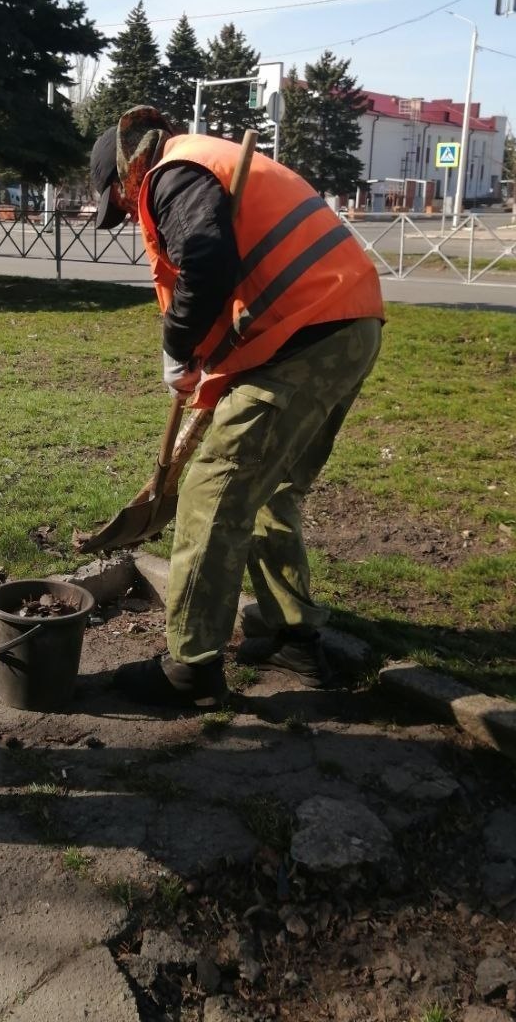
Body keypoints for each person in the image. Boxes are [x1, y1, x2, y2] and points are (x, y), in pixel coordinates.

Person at [90, 106, 385, 708]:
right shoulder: (208, 161)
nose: (126, 216)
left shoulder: (172, 173)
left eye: (120, 208)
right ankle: (292, 637)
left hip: (305, 336)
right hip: (343, 323)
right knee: (269, 488)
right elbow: (239, 272)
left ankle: (190, 671)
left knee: (212, 492)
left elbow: (204, 257)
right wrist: (206, 366)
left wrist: (176, 346)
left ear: (125, 175)